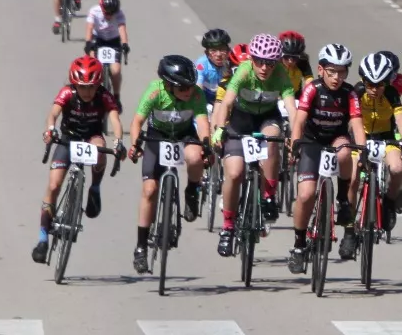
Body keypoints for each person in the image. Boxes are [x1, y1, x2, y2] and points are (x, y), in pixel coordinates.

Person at [211, 32, 297, 256]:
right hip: (240, 121)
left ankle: (269, 195)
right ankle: (228, 228)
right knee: (234, 173)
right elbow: (227, 102)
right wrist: (220, 129)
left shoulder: (281, 75)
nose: (264, 68)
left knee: (272, 139)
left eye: (269, 63)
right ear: (252, 60)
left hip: (266, 119)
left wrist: (296, 138)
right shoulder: (244, 70)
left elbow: (292, 108)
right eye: (259, 61)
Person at [126, 55, 210, 273]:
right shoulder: (155, 91)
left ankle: (192, 191)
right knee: (149, 190)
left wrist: (207, 146)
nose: (188, 92)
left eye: (190, 87)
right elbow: (137, 121)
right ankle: (141, 247)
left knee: (195, 156)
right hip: (157, 136)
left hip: (184, 135)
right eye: (182, 88)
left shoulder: (197, 94)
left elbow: (202, 123)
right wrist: (135, 145)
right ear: (167, 85)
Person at [287, 43, 365, 273]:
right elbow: (299, 121)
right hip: (312, 142)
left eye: (342, 72)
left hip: (336, 138)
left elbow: (357, 125)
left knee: (344, 151)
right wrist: (294, 145)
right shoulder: (312, 89)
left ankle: (342, 200)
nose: (337, 77)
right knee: (306, 194)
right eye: (332, 71)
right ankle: (299, 245)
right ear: (321, 70)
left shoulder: (349, 93)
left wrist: (362, 152)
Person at [36, 56, 122, 262]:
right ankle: (42, 239)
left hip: (92, 137)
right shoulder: (67, 92)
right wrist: (50, 129)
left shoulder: (104, 96)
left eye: (92, 87)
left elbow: (115, 120)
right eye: (83, 87)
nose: (87, 92)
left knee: (101, 150)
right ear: (75, 84)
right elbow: (53, 114)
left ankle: (95, 189)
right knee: (54, 185)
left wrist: (118, 141)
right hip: (69, 138)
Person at [354, 48, 402, 250]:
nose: (374, 89)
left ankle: (389, 202)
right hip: (361, 138)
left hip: (386, 138)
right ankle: (348, 214)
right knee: (353, 173)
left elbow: (400, 120)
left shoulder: (391, 94)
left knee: (398, 168)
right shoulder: (356, 92)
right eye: (370, 84)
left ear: (386, 82)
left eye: (379, 84)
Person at [84, 0, 130, 106]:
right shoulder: (94, 11)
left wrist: (124, 44)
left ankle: (116, 96)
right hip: (98, 39)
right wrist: (88, 43)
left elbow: (122, 29)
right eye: (106, 13)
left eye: (112, 13)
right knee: (93, 67)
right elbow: (89, 27)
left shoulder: (119, 14)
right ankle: (92, 93)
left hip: (113, 41)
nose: (109, 16)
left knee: (116, 71)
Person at [194, 28, 235, 99]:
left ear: (228, 50)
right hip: (206, 96)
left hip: (226, 95)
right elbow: (198, 87)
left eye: (222, 49)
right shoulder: (201, 64)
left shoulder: (233, 60)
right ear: (206, 53)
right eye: (213, 50)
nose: (218, 54)